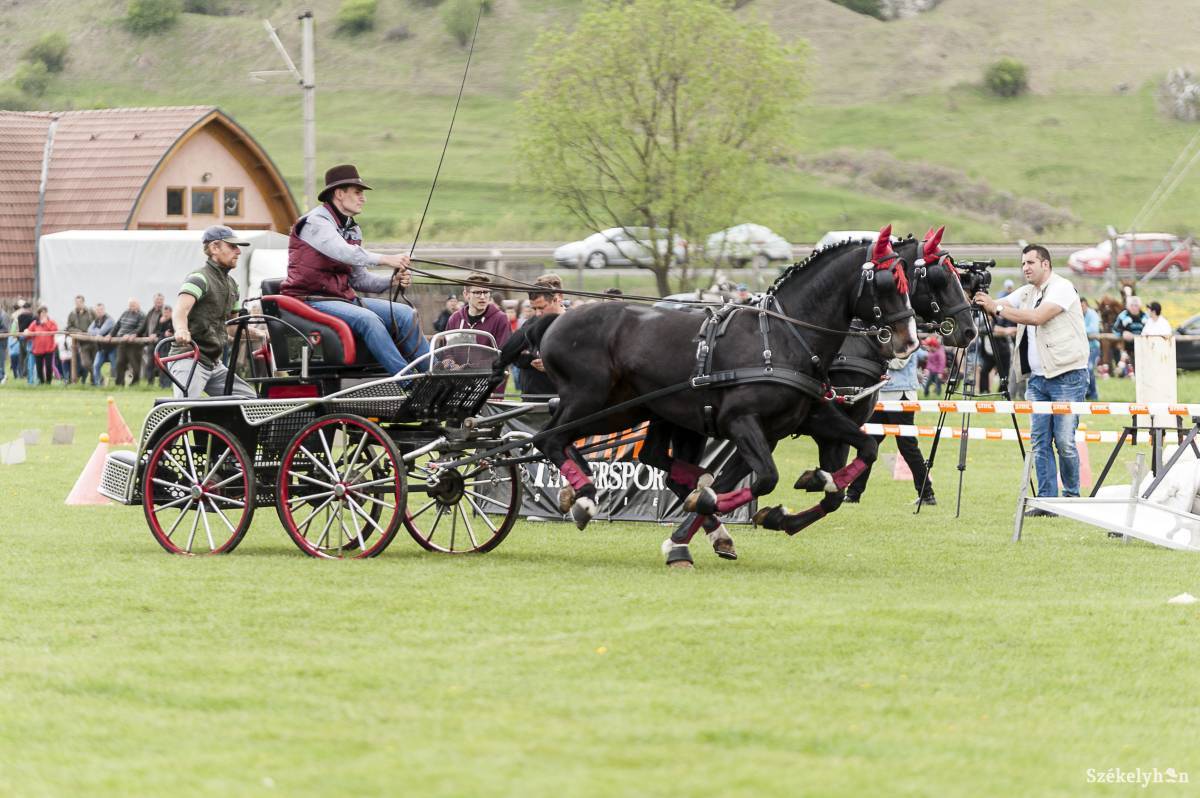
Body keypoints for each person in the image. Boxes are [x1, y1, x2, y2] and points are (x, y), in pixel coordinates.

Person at [280, 163, 429, 374]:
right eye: (358, 192)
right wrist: (387, 259)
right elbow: (344, 252)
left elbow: (360, 280)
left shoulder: (351, 228)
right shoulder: (315, 223)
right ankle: (406, 381)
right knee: (368, 319)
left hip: (343, 299)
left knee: (405, 314)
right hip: (310, 300)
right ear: (339, 193)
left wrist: (392, 281)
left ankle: (434, 374)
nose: (363, 198)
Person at [975, 244, 1090, 514]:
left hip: (1067, 376)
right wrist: (977, 296)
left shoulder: (1061, 287)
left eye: (1030, 262)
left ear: (1046, 264)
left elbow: (1037, 317)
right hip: (1036, 380)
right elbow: (1000, 304)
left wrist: (997, 309)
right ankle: (1047, 501)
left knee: (1064, 441)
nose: (1025, 268)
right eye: (1023, 263)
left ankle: (1071, 498)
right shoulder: (1027, 292)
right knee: (1039, 442)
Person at [170, 226, 257, 399]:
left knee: (251, 400)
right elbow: (180, 310)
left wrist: (262, 334)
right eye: (232, 246)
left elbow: (233, 328)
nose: (238, 251)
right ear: (214, 248)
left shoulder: (232, 285)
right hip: (189, 357)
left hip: (213, 364)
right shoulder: (199, 278)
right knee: (183, 412)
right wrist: (181, 330)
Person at [845, 352, 936, 506]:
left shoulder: (907, 341)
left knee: (908, 447)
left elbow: (898, 363)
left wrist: (874, 356)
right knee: (868, 445)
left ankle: (927, 494)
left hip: (901, 398)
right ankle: (853, 494)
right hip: (881, 398)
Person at [494, 273, 565, 399]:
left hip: (560, 397)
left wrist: (551, 365)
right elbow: (515, 355)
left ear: (556, 298)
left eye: (542, 308)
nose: (538, 313)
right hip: (531, 394)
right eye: (534, 308)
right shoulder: (530, 323)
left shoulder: (571, 324)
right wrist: (528, 359)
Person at [112, 298, 145, 386]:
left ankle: (135, 383)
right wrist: (110, 334)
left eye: (133, 305)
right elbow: (117, 325)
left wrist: (132, 334)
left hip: (133, 345)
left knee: (135, 365)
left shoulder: (141, 315)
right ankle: (119, 384)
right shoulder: (125, 313)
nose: (131, 307)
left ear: (138, 305)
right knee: (119, 362)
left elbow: (141, 328)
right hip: (122, 342)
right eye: (130, 305)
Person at [1111, 295, 1148, 375]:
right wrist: (1122, 333)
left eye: (1136, 305)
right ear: (1128, 306)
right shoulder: (1123, 316)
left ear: (1139, 306)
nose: (1134, 307)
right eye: (1132, 305)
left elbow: (1150, 329)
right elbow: (1115, 329)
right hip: (1127, 346)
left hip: (1142, 345)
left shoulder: (1145, 316)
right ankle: (1123, 370)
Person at [65, 295, 95, 383]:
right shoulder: (72, 314)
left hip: (93, 341)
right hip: (82, 343)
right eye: (76, 302)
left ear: (83, 302)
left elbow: (98, 322)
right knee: (85, 363)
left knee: (94, 363)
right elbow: (69, 327)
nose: (78, 304)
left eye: (80, 302)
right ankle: (99, 377)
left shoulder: (90, 312)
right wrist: (78, 331)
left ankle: (95, 382)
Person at [26, 306, 58, 385]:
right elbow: (28, 335)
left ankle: (48, 382)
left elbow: (54, 331)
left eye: (45, 312)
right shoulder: (34, 323)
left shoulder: (51, 322)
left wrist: (46, 323)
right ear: (39, 314)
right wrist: (27, 332)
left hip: (49, 348)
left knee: (48, 366)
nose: (44, 314)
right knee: (39, 367)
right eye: (42, 313)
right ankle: (41, 382)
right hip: (38, 349)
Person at [138, 293, 166, 382]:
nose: (158, 302)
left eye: (160, 300)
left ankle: (163, 384)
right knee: (150, 363)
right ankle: (150, 383)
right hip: (150, 342)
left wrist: (156, 334)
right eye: (157, 300)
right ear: (154, 301)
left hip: (161, 342)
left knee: (161, 363)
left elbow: (165, 328)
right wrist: (136, 334)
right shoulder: (151, 312)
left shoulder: (165, 312)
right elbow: (144, 326)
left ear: (163, 301)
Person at [88, 303, 116, 386]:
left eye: (100, 310)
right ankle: (99, 385)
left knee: (115, 367)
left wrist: (97, 331)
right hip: (101, 349)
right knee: (96, 366)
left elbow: (102, 331)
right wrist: (98, 333)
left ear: (104, 310)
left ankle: (116, 385)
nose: (99, 312)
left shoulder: (109, 320)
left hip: (112, 348)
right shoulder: (96, 320)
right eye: (97, 310)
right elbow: (89, 330)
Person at [1080, 296, 1101, 401]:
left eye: (1082, 306)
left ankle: (1093, 393)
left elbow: (1093, 329)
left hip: (1093, 347)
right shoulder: (1077, 314)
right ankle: (1086, 392)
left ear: (1086, 305)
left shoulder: (1092, 314)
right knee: (1081, 370)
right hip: (1080, 347)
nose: (1081, 308)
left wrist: (1080, 330)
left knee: (1089, 368)